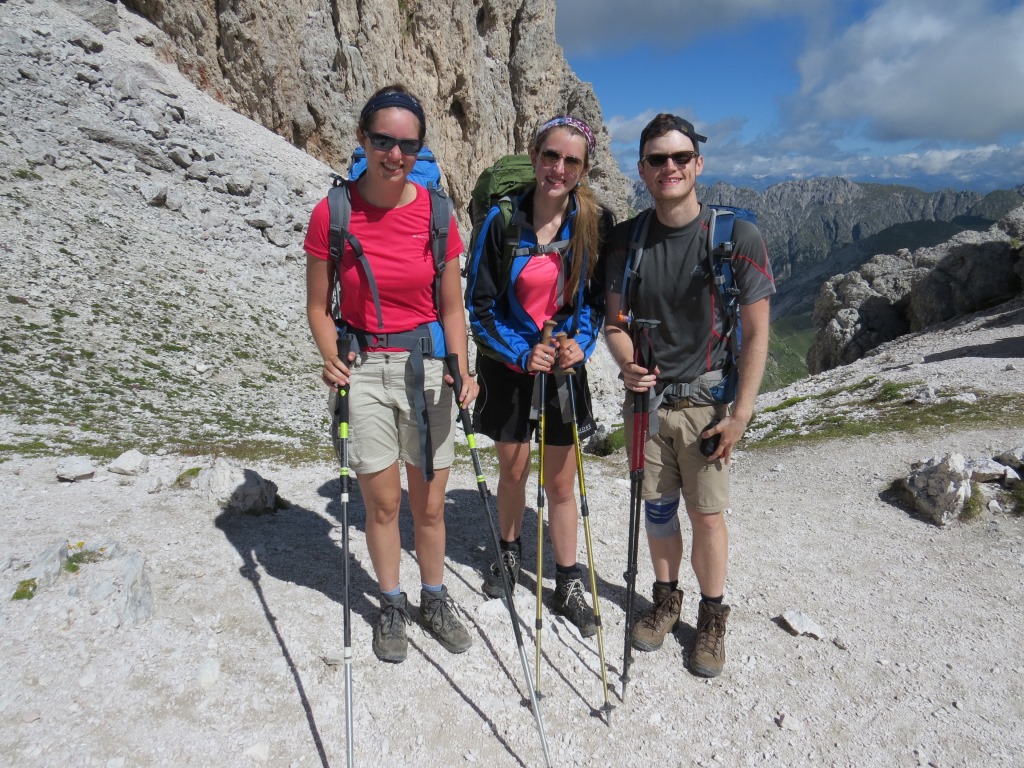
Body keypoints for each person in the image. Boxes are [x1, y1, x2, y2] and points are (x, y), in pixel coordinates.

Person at [304, 85, 479, 664]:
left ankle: (435, 597)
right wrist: (330, 354)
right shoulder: (333, 212)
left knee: (428, 506)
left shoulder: (438, 213)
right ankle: (391, 603)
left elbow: (452, 308)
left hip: (428, 370)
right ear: (363, 139)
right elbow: (317, 306)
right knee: (381, 505)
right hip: (363, 371)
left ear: (420, 148)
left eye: (408, 144)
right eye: (383, 141)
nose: (395, 154)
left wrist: (463, 368)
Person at [602, 113, 775, 677]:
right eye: (658, 159)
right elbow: (614, 323)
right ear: (642, 169)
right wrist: (627, 363)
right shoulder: (625, 241)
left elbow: (757, 332)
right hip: (648, 406)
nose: (670, 167)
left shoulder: (736, 238)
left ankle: (712, 615)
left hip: (707, 407)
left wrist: (741, 414)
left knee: (707, 516)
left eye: (680, 157)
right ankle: (666, 599)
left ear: (698, 163)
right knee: (658, 512)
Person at [465, 116, 614, 637]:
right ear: (534, 156)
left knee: (560, 482)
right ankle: (509, 553)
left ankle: (567, 580)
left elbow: (593, 301)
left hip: (562, 365)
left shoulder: (593, 223)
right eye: (551, 156)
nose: (559, 168)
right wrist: (521, 352)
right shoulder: (501, 221)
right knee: (513, 470)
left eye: (572, 161)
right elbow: (479, 306)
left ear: (583, 169)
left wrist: (580, 344)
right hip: (511, 368)